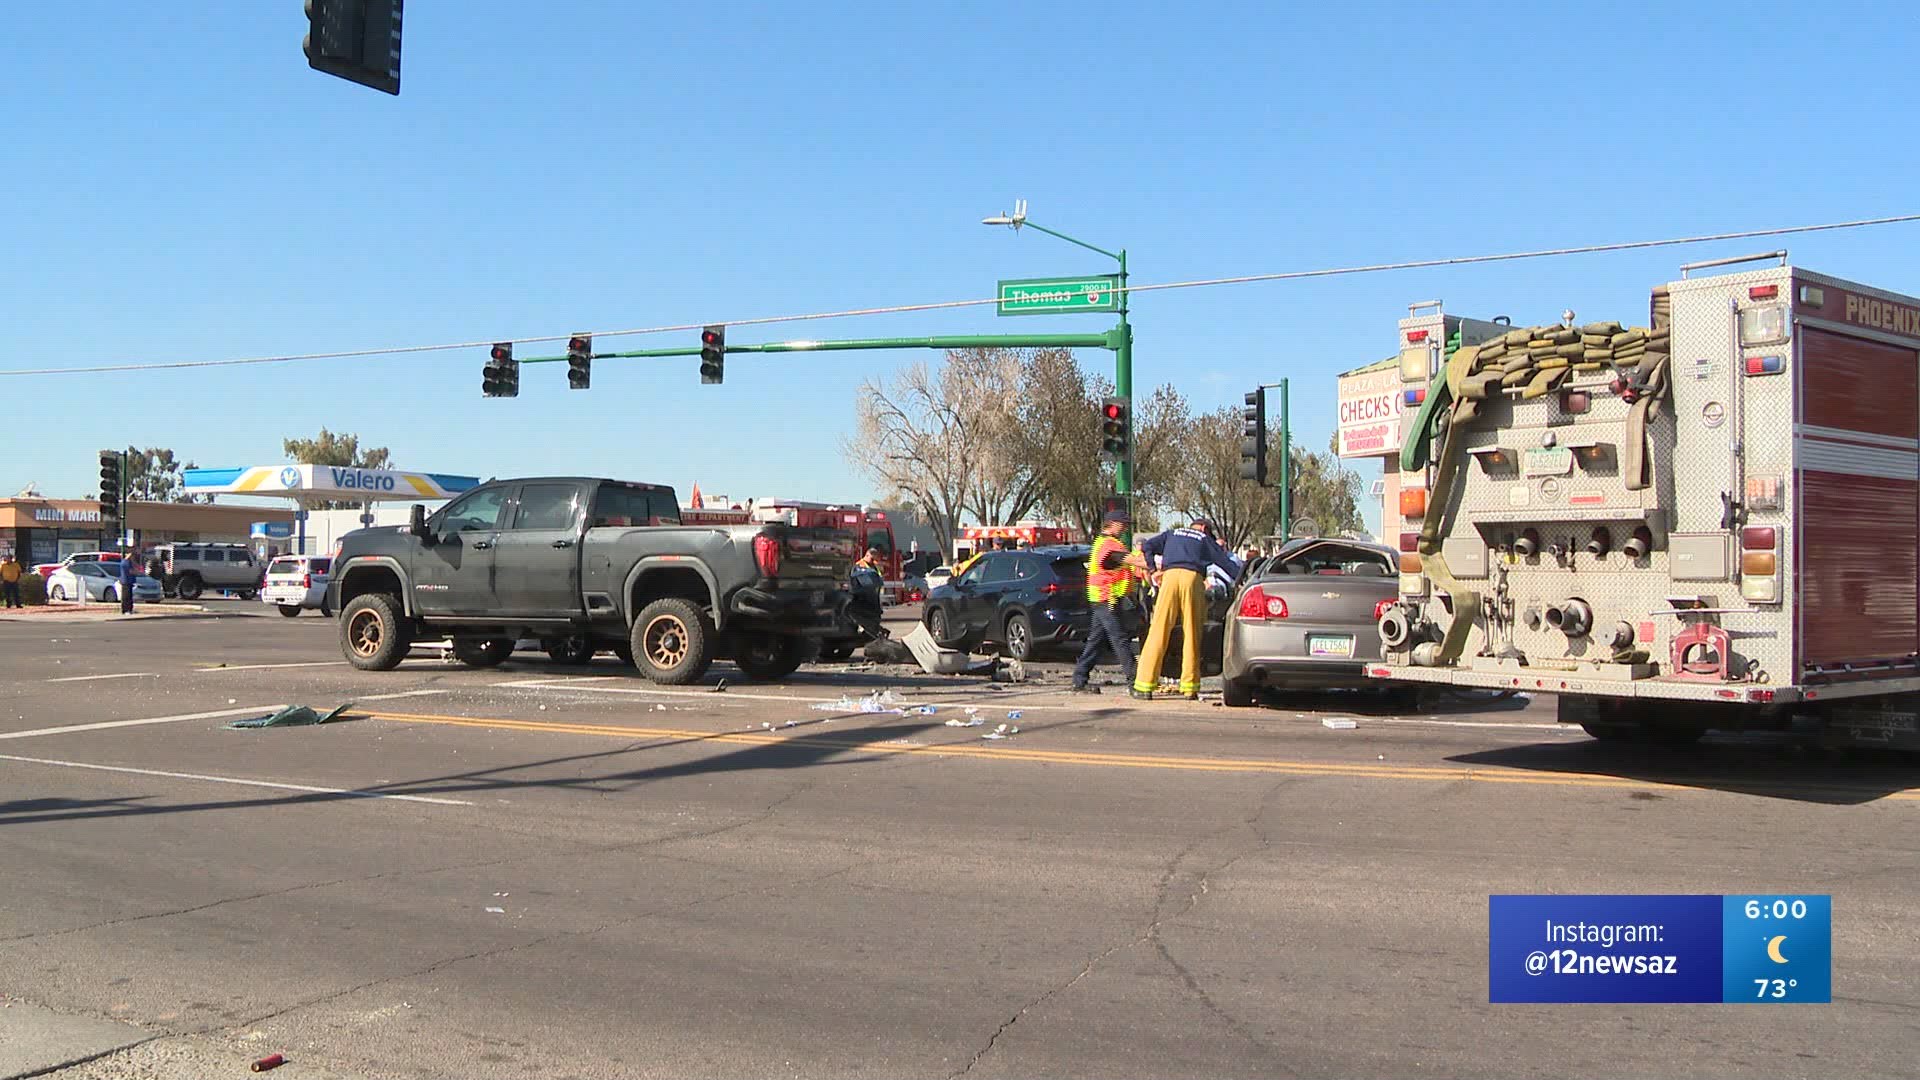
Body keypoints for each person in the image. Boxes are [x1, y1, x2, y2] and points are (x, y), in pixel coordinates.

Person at [1127, 518, 1238, 701]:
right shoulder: (1203, 538)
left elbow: (1147, 546)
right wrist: (1242, 577)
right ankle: (1189, 687)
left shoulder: (1172, 534)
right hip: (1192, 579)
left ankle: (1144, 685)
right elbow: (1224, 562)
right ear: (1203, 528)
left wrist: (1153, 567)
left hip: (1169, 578)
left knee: (1159, 630)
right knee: (1192, 632)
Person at [1070, 510, 1138, 694]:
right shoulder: (1109, 545)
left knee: (1096, 640)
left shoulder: (1106, 542)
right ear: (1112, 523)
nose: (1125, 527)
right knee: (1120, 639)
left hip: (1104, 598)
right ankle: (1135, 682)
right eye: (1123, 524)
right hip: (1106, 598)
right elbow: (1130, 560)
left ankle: (1079, 678)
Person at [117, 549, 136, 614]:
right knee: (126, 596)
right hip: (126, 581)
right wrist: (135, 571)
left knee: (129, 596)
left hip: (128, 581)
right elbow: (131, 571)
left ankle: (129, 609)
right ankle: (126, 609)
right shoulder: (126, 562)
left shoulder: (126, 562)